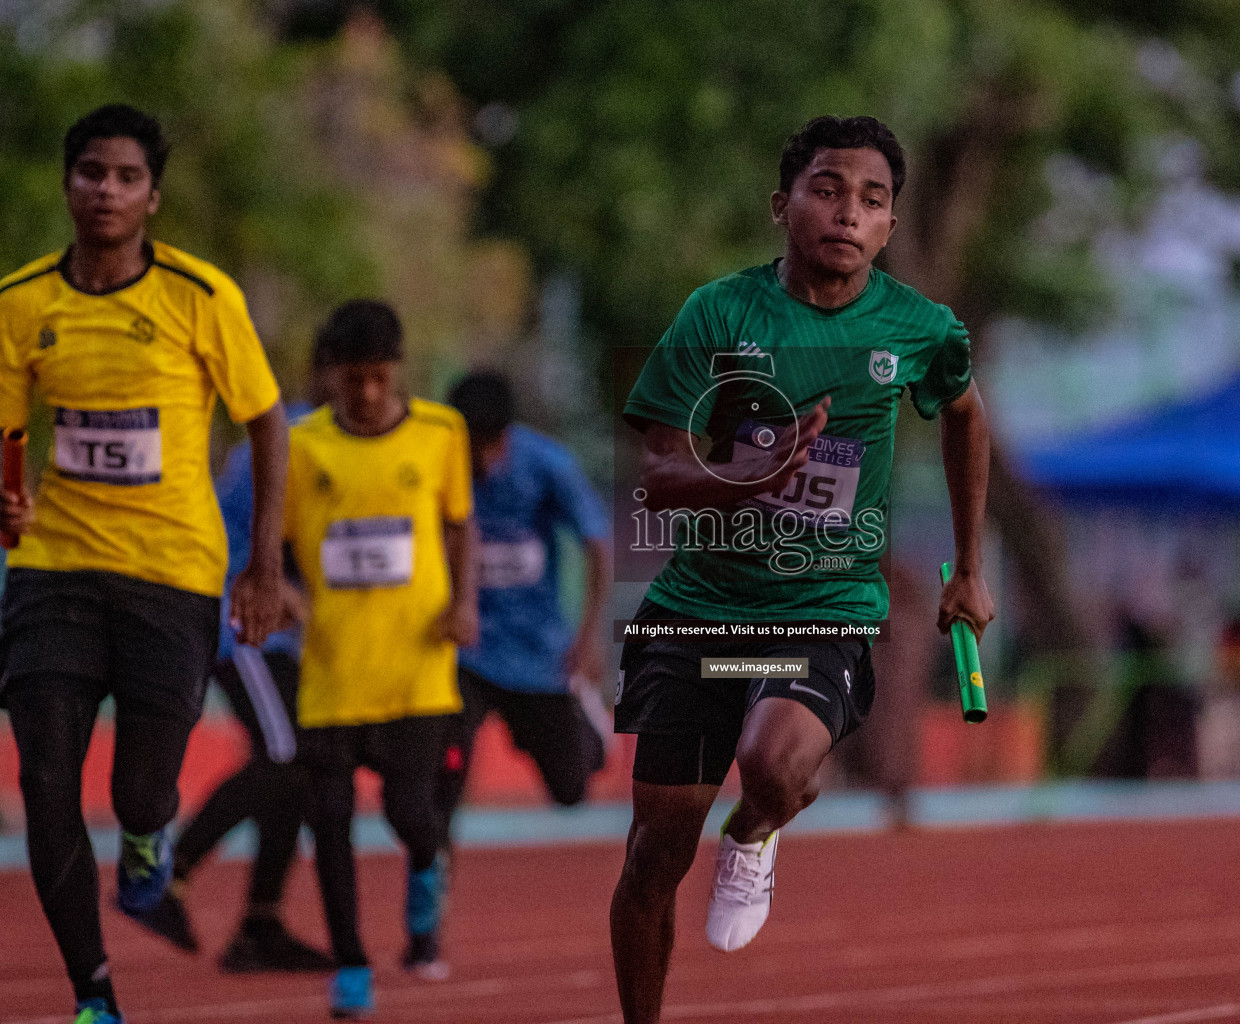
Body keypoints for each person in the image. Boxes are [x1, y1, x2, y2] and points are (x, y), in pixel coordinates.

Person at [610, 115, 994, 1024]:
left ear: (890, 226)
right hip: (700, 611)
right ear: (784, 205)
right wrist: (752, 472)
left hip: (824, 604)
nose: (847, 213)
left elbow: (969, 417)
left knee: (773, 767)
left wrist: (971, 567)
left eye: (872, 200)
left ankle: (753, 832)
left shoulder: (919, 327)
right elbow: (659, 475)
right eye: (827, 190)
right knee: (655, 850)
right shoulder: (719, 312)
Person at [0, 105, 287, 1024]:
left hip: (172, 573)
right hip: (56, 568)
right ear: (67, 184)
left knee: (139, 790)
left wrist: (263, 564)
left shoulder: (202, 297)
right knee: (45, 783)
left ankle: (152, 842)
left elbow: (266, 422)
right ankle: (94, 992)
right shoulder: (17, 303)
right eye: (89, 172)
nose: (104, 189)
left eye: (123, 176)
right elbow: (3, 436)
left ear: (151, 196)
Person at [282, 300, 476, 1018]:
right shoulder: (302, 447)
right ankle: (351, 964)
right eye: (351, 379)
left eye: (377, 379)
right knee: (328, 822)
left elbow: (460, 526)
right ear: (331, 375)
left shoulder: (440, 432)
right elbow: (276, 546)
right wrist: (284, 593)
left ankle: (428, 862)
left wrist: (465, 602)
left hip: (416, 671)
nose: (364, 393)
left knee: (408, 812)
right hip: (332, 670)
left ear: (398, 371)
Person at [152, 361, 334, 973]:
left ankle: (260, 923)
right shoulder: (302, 437)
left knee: (298, 768)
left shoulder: (332, 438)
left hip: (277, 637)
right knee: (285, 759)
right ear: (327, 376)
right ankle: (165, 875)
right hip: (244, 625)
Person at [435, 371, 609, 827]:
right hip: (466, 650)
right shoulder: (438, 465)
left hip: (535, 650)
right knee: (444, 780)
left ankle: (582, 729)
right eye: (471, 444)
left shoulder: (549, 465)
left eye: (491, 444)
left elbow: (597, 543)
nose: (481, 459)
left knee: (570, 789)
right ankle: (434, 872)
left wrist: (589, 635)